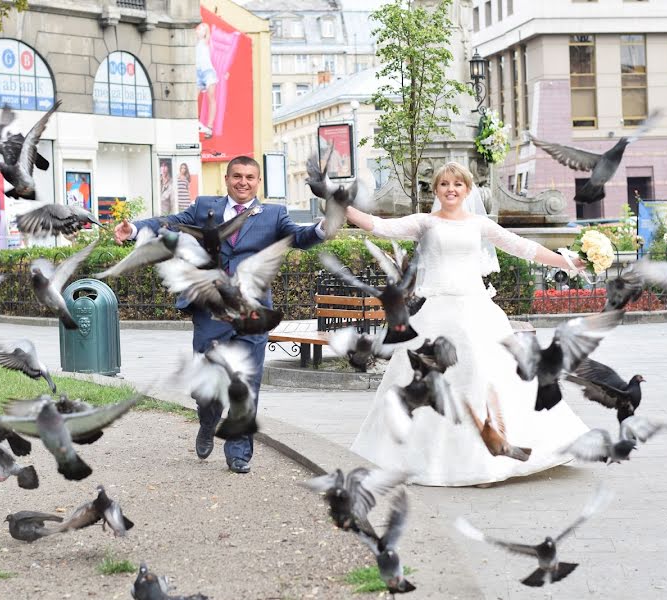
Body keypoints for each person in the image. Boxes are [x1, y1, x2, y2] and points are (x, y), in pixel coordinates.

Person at [345, 161, 590, 487]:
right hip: (438, 313)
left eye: (457, 185)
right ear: (436, 190)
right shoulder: (425, 223)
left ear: (467, 189)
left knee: (486, 376)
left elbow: (522, 247)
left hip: (476, 310)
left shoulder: (479, 224)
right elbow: (379, 226)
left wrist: (565, 261)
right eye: (444, 184)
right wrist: (341, 206)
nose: (451, 190)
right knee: (424, 380)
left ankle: (489, 459)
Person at [114, 156, 325, 474]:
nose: (243, 182)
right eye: (237, 176)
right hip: (210, 308)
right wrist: (134, 230)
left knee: (248, 382)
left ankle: (238, 452)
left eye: (250, 177)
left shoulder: (274, 214)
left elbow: (300, 237)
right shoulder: (203, 207)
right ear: (226, 179)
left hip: (252, 312)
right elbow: (169, 222)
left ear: (258, 182)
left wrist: (323, 227)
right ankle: (208, 418)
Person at [195, 22, 218, 139]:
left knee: (211, 98)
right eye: (199, 29)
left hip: (207, 71)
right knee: (193, 98)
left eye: (202, 29)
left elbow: (207, 31)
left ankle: (209, 126)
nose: (199, 31)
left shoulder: (205, 42)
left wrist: (205, 27)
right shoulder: (194, 43)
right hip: (197, 73)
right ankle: (195, 120)